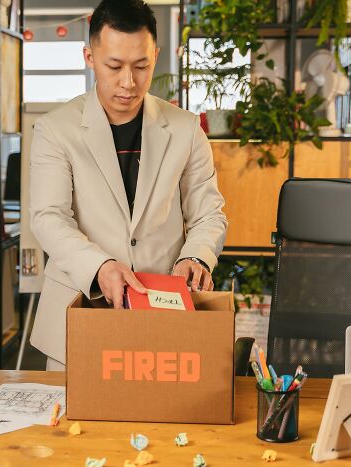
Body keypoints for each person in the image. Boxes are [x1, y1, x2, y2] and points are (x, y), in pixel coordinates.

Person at [29, 0, 228, 371]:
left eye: (141, 66)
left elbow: (208, 214)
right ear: (89, 57)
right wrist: (100, 265)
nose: (129, 82)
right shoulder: (56, 130)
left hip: (163, 314)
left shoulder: (186, 129)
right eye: (114, 66)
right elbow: (48, 218)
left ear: (156, 55)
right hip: (78, 310)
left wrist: (196, 256)